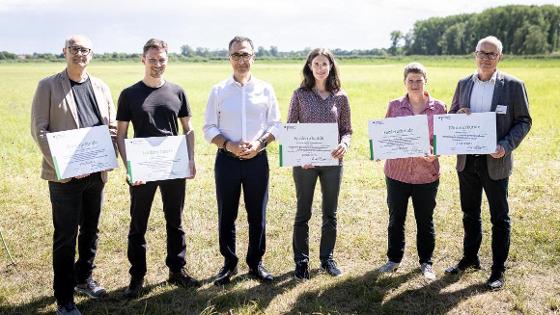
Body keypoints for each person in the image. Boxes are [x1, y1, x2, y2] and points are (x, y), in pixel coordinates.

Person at [31, 35, 115, 315]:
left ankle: (84, 279)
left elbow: (112, 127)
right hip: (65, 177)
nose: (80, 53)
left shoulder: (101, 86)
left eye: (85, 49)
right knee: (66, 236)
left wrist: (108, 149)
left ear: (91, 54)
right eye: (74, 49)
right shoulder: (48, 86)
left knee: (91, 231)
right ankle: (64, 298)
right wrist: (62, 166)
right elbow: (39, 130)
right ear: (64, 52)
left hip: (95, 174)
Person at [445, 36, 532, 290]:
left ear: (499, 57)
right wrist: (457, 116)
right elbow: (451, 116)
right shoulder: (463, 84)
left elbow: (524, 121)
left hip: (496, 161)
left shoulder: (514, 85)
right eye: (481, 52)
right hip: (467, 161)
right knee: (470, 213)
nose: (485, 57)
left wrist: (505, 146)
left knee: (499, 217)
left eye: (491, 54)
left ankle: (497, 270)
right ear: (475, 55)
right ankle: (470, 258)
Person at [116, 38, 199, 298]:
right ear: (143, 60)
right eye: (152, 59)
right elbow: (120, 134)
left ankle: (177, 270)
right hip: (142, 168)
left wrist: (191, 159)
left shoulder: (177, 91)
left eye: (161, 59)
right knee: (138, 223)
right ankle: (137, 276)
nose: (157, 64)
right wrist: (129, 166)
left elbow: (188, 129)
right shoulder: (129, 94)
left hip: (172, 166)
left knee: (175, 220)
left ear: (167, 60)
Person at [203, 36, 281, 285]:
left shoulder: (266, 89)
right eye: (236, 55)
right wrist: (229, 145)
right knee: (227, 213)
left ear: (253, 57)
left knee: (257, 213)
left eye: (245, 54)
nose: (241, 60)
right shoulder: (218, 90)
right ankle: (229, 263)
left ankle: (256, 263)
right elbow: (208, 128)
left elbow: (276, 125)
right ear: (229, 58)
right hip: (227, 160)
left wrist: (260, 144)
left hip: (258, 160)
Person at [376, 63, 447, 281]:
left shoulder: (439, 108)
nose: (415, 84)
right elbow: (385, 134)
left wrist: (436, 153)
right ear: (404, 82)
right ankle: (394, 259)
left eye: (419, 80)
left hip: (427, 175)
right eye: (410, 80)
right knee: (396, 218)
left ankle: (426, 262)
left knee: (425, 220)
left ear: (426, 81)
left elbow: (445, 141)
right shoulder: (395, 106)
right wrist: (380, 148)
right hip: (397, 173)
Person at [286, 48, 352, 280]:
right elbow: (290, 128)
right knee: (303, 211)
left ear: (331, 66)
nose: (321, 68)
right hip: (305, 164)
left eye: (325, 64)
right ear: (310, 67)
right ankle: (301, 261)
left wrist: (345, 144)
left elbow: (347, 130)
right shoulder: (299, 94)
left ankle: (327, 259)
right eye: (316, 64)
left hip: (333, 162)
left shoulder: (341, 97)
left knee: (330, 213)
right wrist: (298, 156)